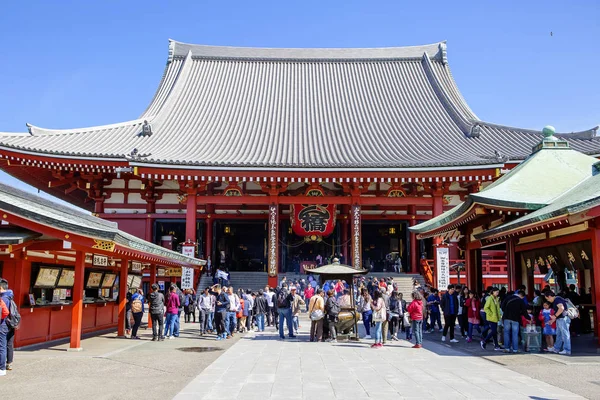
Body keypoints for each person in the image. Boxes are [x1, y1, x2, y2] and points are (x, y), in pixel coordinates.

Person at [545, 290, 571, 355]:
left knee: (565, 334)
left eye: (547, 298)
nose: (548, 300)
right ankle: (557, 348)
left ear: (550, 296)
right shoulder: (557, 299)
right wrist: (553, 320)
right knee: (559, 334)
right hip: (560, 319)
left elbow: (561, 308)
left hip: (563, 319)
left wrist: (555, 316)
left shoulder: (557, 300)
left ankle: (567, 349)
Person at [0, 279, 15, 374]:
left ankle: (2, 368)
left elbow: (4, 312)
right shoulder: (10, 295)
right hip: (11, 323)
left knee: (2, 346)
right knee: (9, 344)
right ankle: (8, 363)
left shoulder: (3, 298)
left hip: (3, 323)